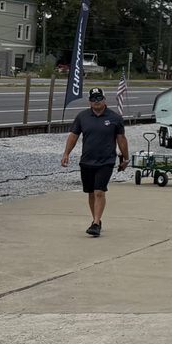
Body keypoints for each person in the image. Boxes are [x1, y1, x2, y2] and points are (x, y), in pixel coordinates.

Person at [61, 87, 129, 237]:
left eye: (99, 98)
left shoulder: (115, 118)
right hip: (87, 160)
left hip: (106, 161)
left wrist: (125, 158)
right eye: (93, 99)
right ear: (89, 101)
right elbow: (73, 136)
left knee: (99, 191)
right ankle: (95, 220)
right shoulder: (82, 117)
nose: (96, 101)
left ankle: (96, 223)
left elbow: (121, 139)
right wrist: (66, 153)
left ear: (104, 99)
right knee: (91, 193)